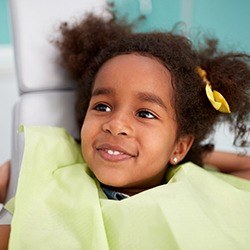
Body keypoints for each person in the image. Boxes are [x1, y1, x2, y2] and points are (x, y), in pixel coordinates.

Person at [0, 11, 250, 249]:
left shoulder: (195, 187)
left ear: (181, 146)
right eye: (102, 106)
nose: (116, 124)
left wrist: (182, 154)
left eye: (145, 114)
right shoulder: (56, 170)